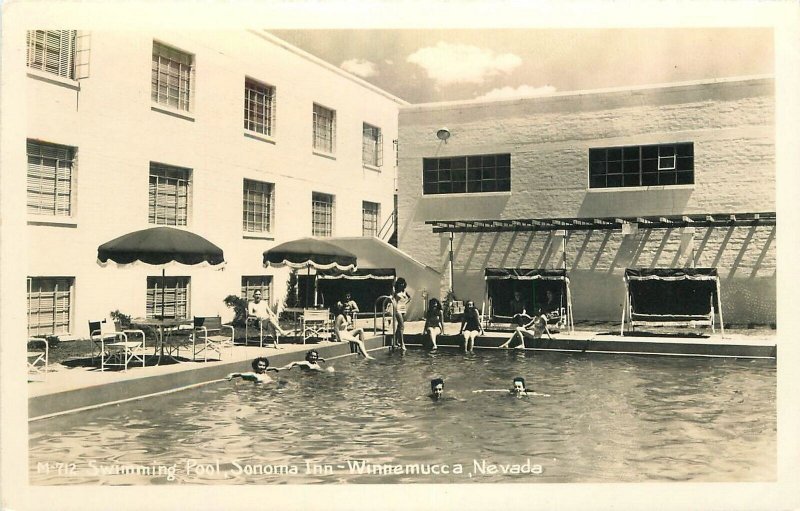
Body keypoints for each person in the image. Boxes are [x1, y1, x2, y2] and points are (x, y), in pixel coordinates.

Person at [390, 277, 411, 351]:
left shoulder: (404, 292)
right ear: (398, 284)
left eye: (402, 283)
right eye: (400, 283)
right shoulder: (395, 292)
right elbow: (392, 299)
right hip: (397, 309)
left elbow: (409, 298)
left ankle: (395, 341)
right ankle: (402, 344)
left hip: (403, 309)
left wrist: (405, 303)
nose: (401, 285)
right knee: (402, 326)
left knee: (399, 326)